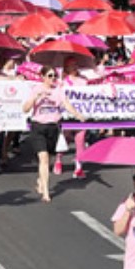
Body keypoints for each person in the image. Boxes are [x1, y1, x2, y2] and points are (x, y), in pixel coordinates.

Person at [22, 66, 86, 203]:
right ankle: (45, 191)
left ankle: (40, 179)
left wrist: (78, 115)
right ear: (43, 77)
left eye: (55, 76)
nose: (53, 79)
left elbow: (67, 104)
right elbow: (25, 109)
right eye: (50, 76)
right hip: (38, 126)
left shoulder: (58, 91)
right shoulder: (36, 89)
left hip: (53, 127)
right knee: (43, 158)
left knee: (48, 158)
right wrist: (35, 98)